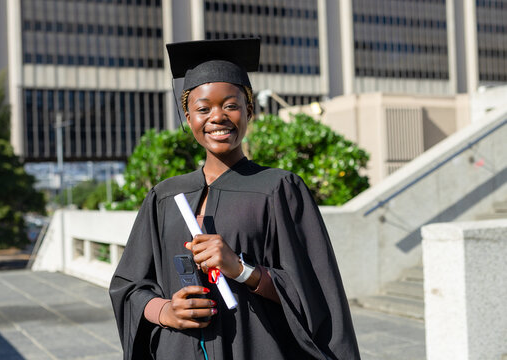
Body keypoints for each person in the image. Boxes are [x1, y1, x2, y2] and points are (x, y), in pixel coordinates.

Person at [109, 38, 361, 360]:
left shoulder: (279, 189)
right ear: (188, 118)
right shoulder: (165, 196)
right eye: (203, 109)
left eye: (231, 105)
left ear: (249, 111)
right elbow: (128, 286)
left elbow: (314, 292)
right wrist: (165, 311)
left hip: (256, 347)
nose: (218, 117)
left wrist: (242, 270)